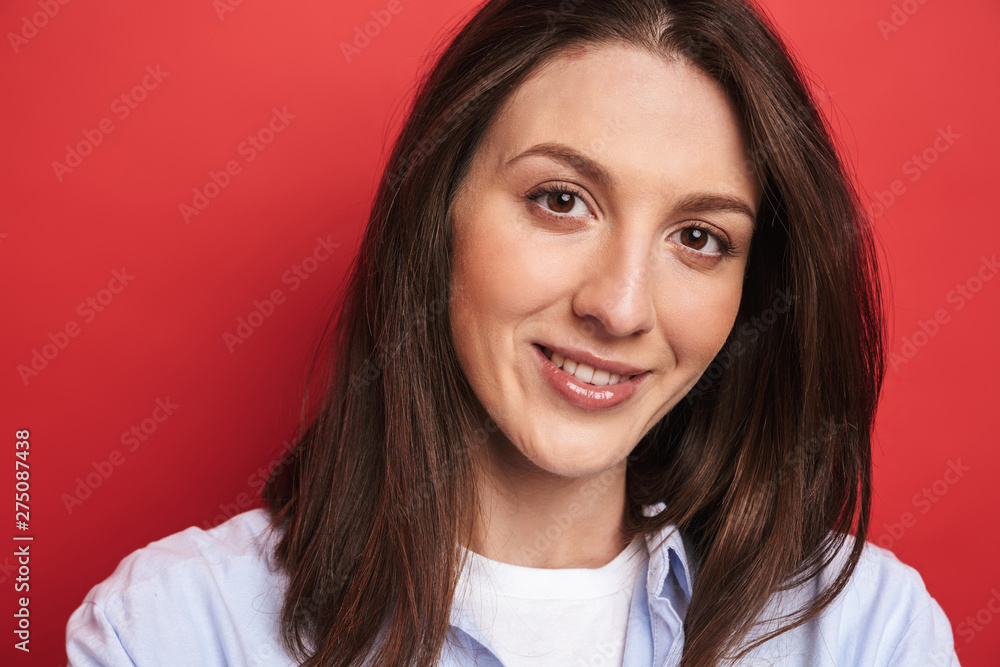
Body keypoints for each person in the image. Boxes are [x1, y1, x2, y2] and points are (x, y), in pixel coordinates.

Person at [65, 0, 960, 665]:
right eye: (560, 200)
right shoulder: (178, 631)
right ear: (437, 212)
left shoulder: (862, 633)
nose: (619, 306)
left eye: (699, 238)